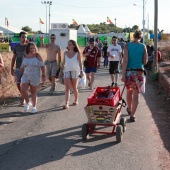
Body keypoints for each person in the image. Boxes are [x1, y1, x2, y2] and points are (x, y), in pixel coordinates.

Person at [121, 29, 148, 122]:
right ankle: (133, 114)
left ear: (133, 36)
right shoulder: (143, 46)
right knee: (136, 94)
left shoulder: (127, 45)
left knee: (129, 92)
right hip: (140, 72)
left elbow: (125, 61)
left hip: (129, 72)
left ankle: (129, 108)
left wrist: (123, 74)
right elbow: (145, 62)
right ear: (140, 37)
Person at [17, 42, 46, 113]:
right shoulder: (25, 56)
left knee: (33, 92)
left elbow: (42, 66)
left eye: (33, 48)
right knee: (23, 90)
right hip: (26, 75)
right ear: (28, 49)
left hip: (35, 76)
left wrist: (43, 75)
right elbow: (22, 67)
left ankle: (34, 107)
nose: (32, 49)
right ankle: (27, 102)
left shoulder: (37, 56)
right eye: (31, 48)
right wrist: (19, 76)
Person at [60, 40, 84, 109]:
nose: (69, 45)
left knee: (74, 87)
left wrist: (81, 71)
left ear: (74, 45)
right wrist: (61, 71)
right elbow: (63, 63)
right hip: (67, 71)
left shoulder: (77, 53)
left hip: (75, 71)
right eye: (68, 44)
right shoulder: (65, 53)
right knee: (67, 88)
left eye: (70, 44)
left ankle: (76, 100)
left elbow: (80, 63)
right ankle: (66, 103)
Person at [11, 31, 27, 106]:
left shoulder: (28, 47)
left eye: (26, 37)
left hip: (26, 69)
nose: (24, 38)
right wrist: (11, 68)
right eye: (23, 37)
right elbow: (14, 58)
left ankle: (23, 99)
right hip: (17, 68)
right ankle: (23, 95)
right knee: (18, 84)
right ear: (20, 37)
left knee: (24, 84)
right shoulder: (17, 47)